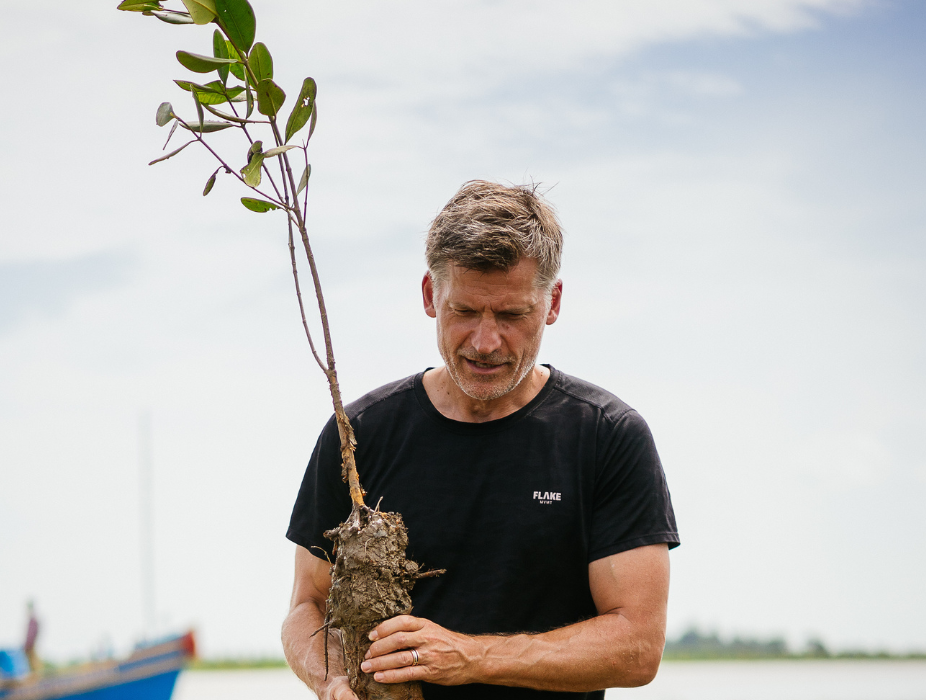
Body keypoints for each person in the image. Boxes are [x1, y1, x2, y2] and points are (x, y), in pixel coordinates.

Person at [281, 181, 680, 699]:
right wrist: (331, 679)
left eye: (512, 315)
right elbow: (306, 606)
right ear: (430, 295)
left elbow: (637, 646)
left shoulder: (608, 436)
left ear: (552, 302)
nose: (486, 342)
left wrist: (471, 657)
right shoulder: (360, 435)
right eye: (465, 311)